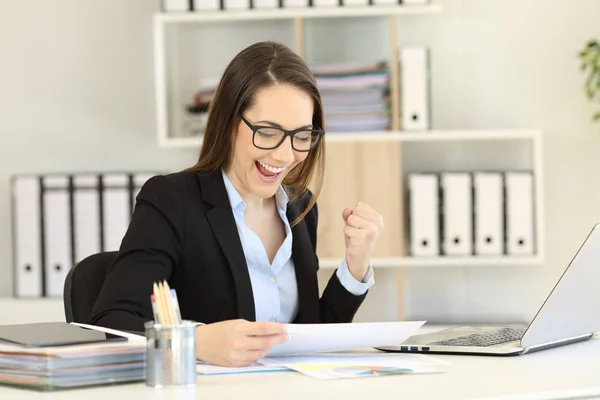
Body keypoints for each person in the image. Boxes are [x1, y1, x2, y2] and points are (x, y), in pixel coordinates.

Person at [89, 41, 384, 367]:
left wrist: (356, 265)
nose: (285, 156)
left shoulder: (300, 209)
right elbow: (111, 319)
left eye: (302, 136)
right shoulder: (171, 201)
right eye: (268, 132)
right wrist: (196, 341)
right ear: (229, 123)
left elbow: (308, 339)